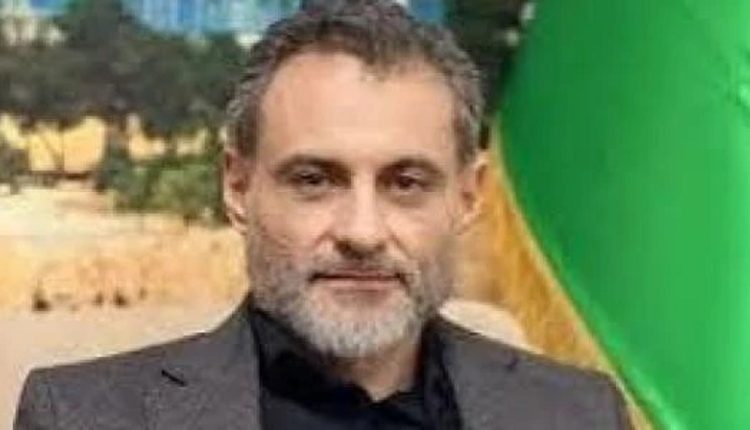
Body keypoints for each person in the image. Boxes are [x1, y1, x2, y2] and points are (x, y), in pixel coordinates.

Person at [14, 1, 631, 428]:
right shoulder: (81, 417)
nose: (362, 232)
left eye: (406, 183)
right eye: (314, 180)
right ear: (238, 187)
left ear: (468, 197)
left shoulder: (578, 415)